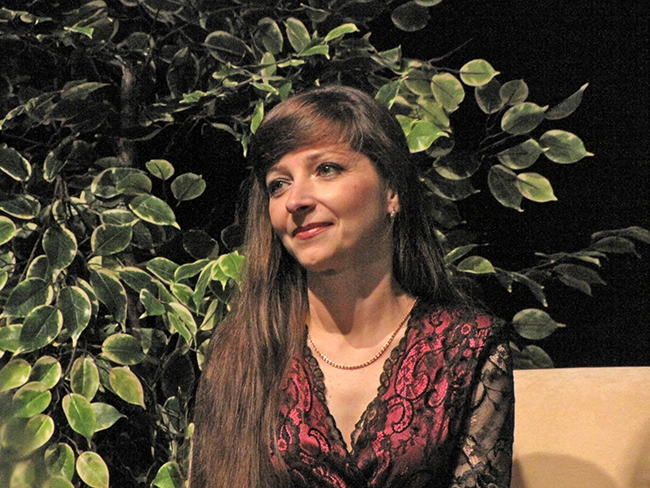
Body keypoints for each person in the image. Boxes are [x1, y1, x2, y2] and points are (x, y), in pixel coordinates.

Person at [190, 85, 514, 487]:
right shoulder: (242, 350)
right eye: (279, 184)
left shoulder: (466, 348)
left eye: (326, 169)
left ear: (391, 190)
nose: (295, 200)